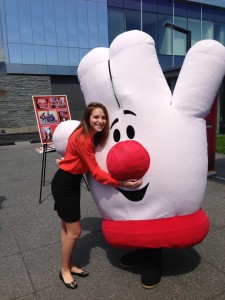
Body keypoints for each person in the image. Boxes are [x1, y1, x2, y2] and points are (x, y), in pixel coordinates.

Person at [51, 102, 142, 289]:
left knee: (67, 229)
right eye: (96, 117)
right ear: (87, 118)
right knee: (75, 231)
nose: (100, 121)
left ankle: (68, 265)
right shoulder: (84, 138)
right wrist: (121, 183)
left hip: (69, 181)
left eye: (103, 117)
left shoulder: (87, 134)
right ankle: (64, 270)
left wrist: (66, 161)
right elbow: (96, 172)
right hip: (65, 184)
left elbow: (72, 155)